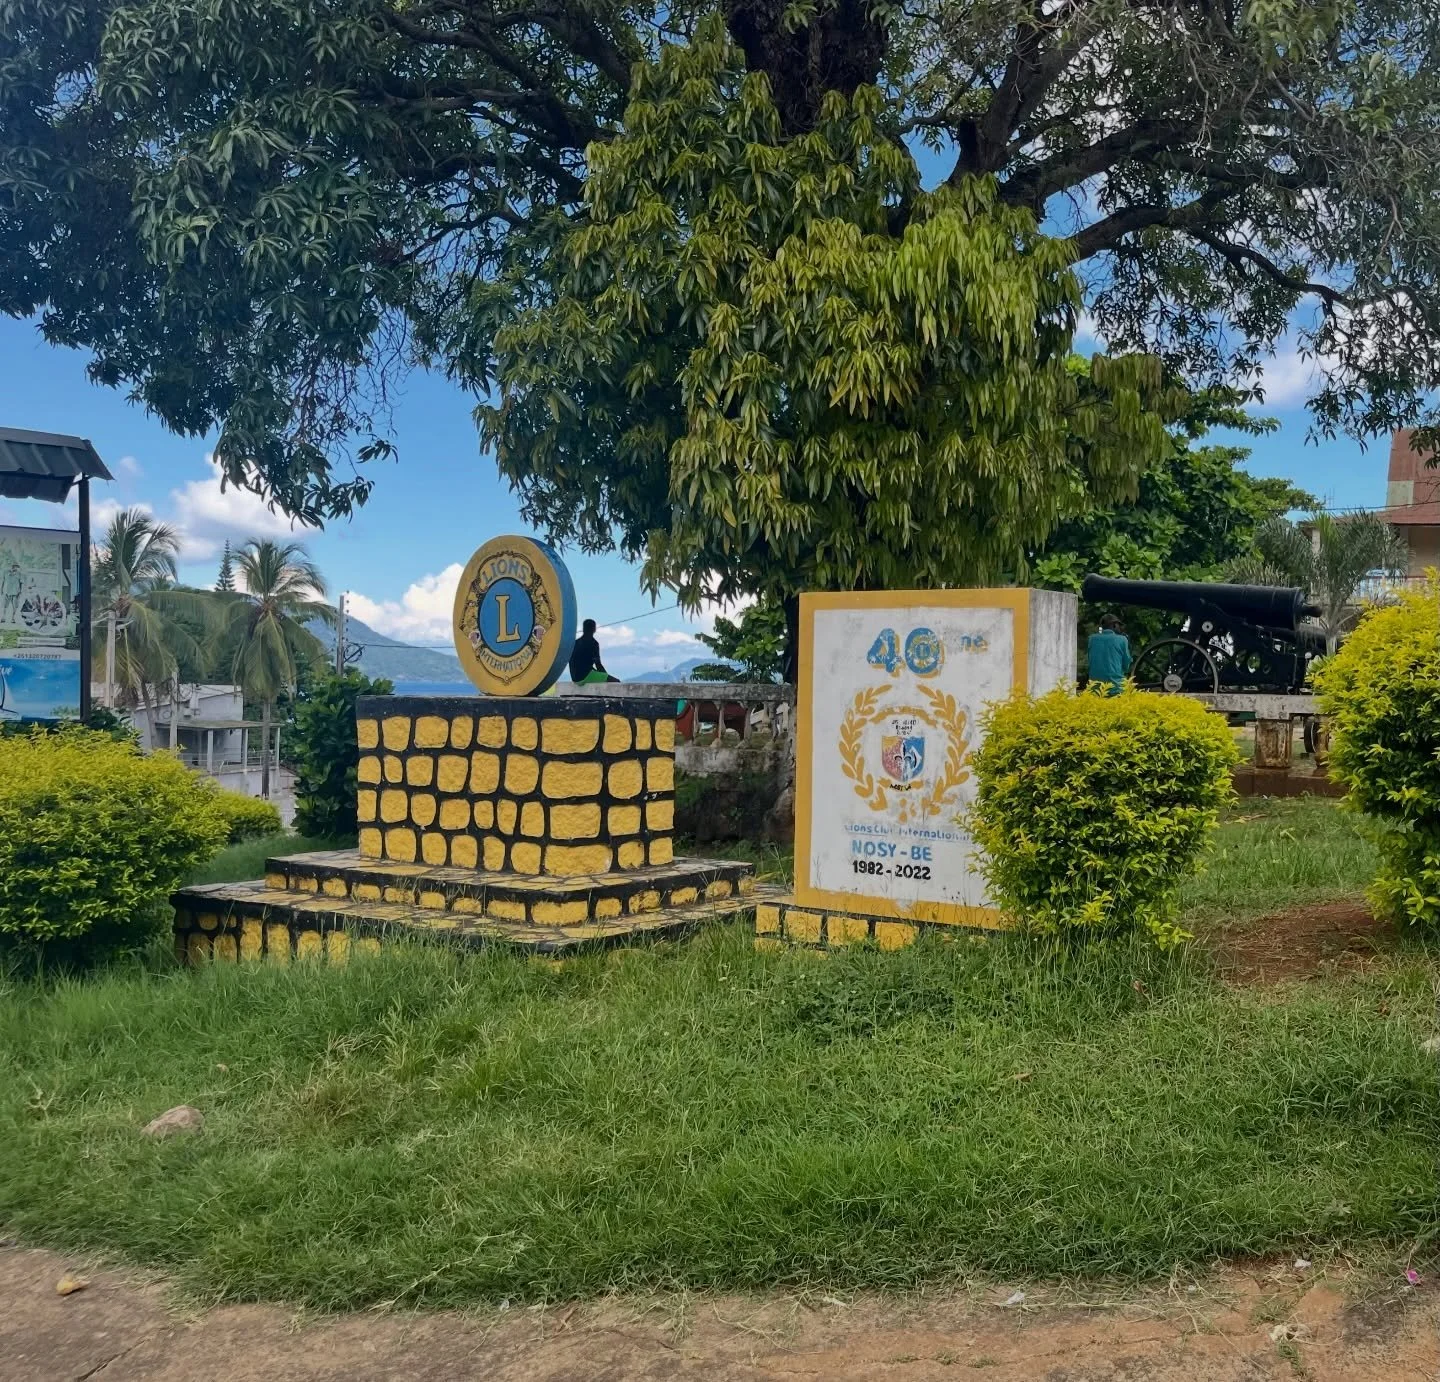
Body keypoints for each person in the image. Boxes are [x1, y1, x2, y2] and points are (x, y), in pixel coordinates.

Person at [1087, 612, 1131, 694]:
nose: (1120, 628)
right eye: (1118, 625)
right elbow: (1126, 666)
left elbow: (1090, 661)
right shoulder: (1122, 639)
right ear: (1114, 625)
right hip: (1115, 688)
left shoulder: (1091, 639)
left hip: (1094, 689)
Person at [569, 618, 619, 684]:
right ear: (594, 629)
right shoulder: (594, 643)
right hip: (585, 676)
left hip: (574, 678)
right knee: (616, 682)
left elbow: (571, 661)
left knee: (594, 672)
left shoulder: (575, 643)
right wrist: (605, 676)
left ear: (583, 629)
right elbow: (598, 664)